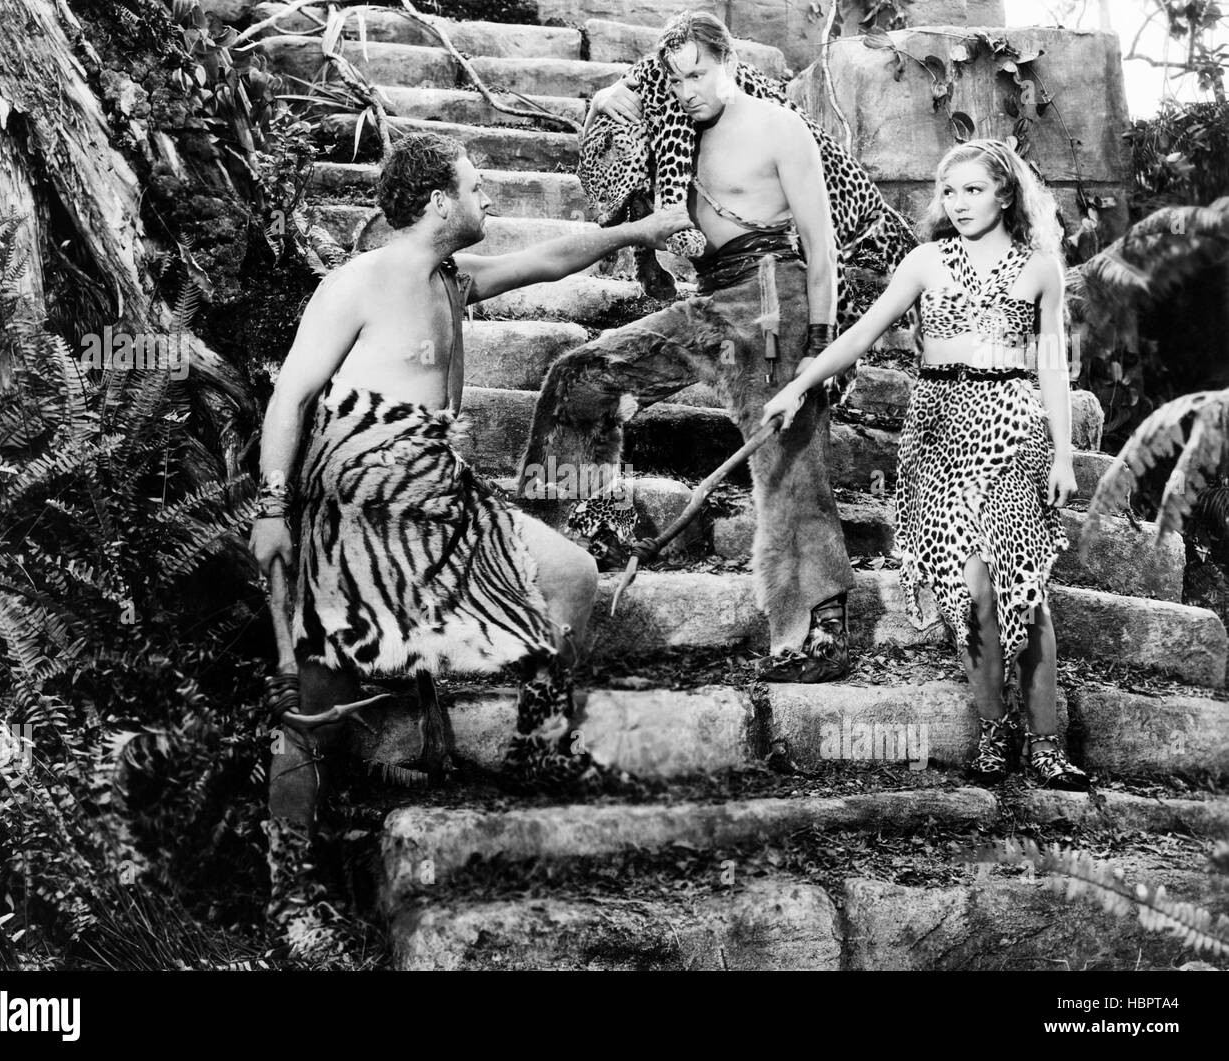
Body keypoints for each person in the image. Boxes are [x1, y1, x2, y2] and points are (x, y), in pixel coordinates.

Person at [247, 129, 692, 948]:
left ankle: (537, 749)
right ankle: (289, 894)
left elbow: (553, 259)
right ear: (436, 203)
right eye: (476, 185)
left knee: (572, 576)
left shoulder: (454, 280)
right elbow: (290, 397)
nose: (489, 196)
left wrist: (635, 233)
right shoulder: (362, 283)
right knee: (315, 711)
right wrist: (272, 510)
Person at [517, 11, 854, 682]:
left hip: (772, 291)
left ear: (728, 62)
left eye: (698, 74)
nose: (687, 90)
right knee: (579, 371)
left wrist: (820, 346)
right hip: (706, 296)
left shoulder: (777, 126)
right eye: (675, 79)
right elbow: (614, 127)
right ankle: (538, 555)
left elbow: (821, 248)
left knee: (788, 452)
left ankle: (813, 627)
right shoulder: (670, 133)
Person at [761, 138, 1090, 790]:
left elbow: (1052, 366)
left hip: (1011, 431)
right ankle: (996, 730)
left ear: (1005, 193)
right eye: (950, 191)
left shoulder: (1039, 270)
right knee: (971, 600)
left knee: (1024, 591)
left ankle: (1048, 746)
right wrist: (800, 384)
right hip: (937, 439)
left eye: (973, 189)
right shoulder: (924, 261)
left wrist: (1063, 452)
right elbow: (860, 334)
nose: (960, 203)